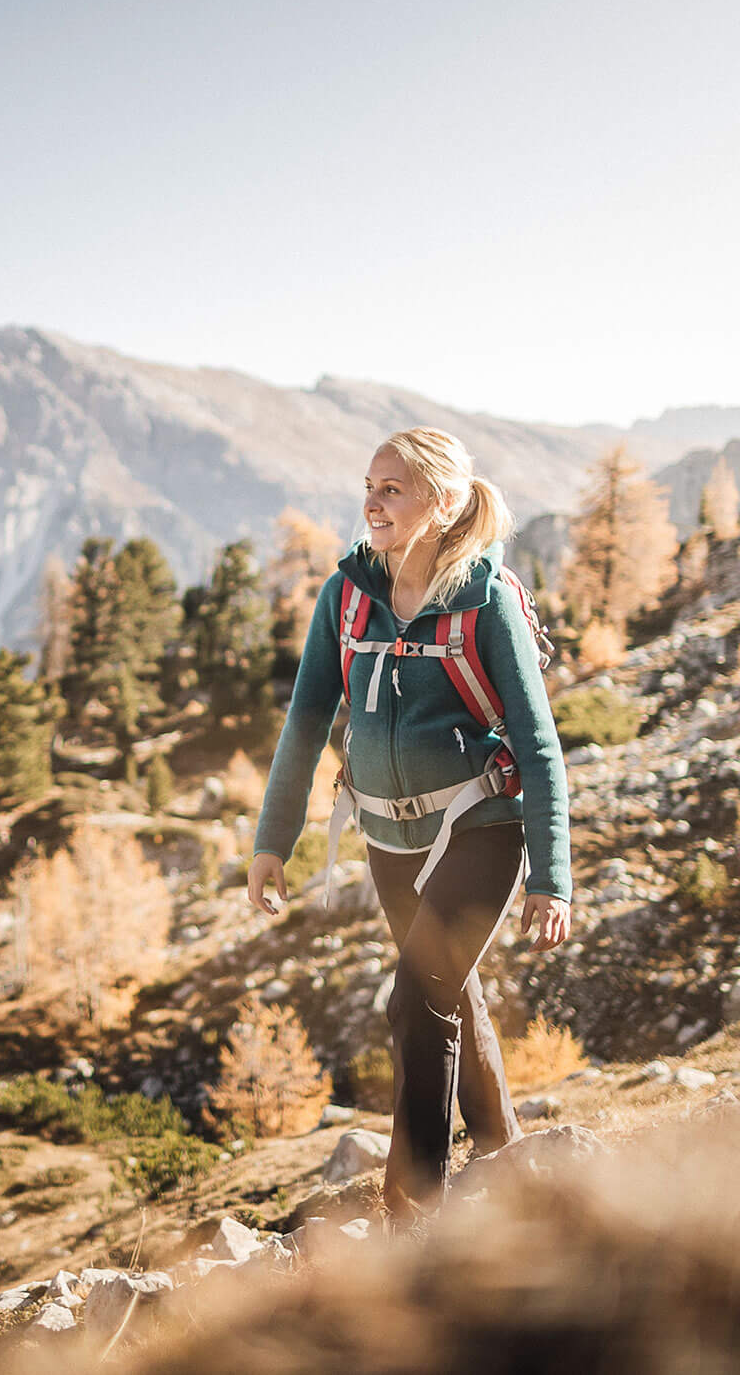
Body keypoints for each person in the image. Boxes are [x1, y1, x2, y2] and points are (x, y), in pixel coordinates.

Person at [248, 427, 571, 1217]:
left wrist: (552, 876)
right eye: (369, 484)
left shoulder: (486, 600)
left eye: (393, 488)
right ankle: (504, 1153)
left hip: (481, 827)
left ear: (445, 501)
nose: (372, 500)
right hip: (388, 837)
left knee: (415, 998)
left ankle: (410, 1209)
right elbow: (304, 723)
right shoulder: (347, 596)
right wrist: (270, 843)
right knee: (450, 995)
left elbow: (536, 742)